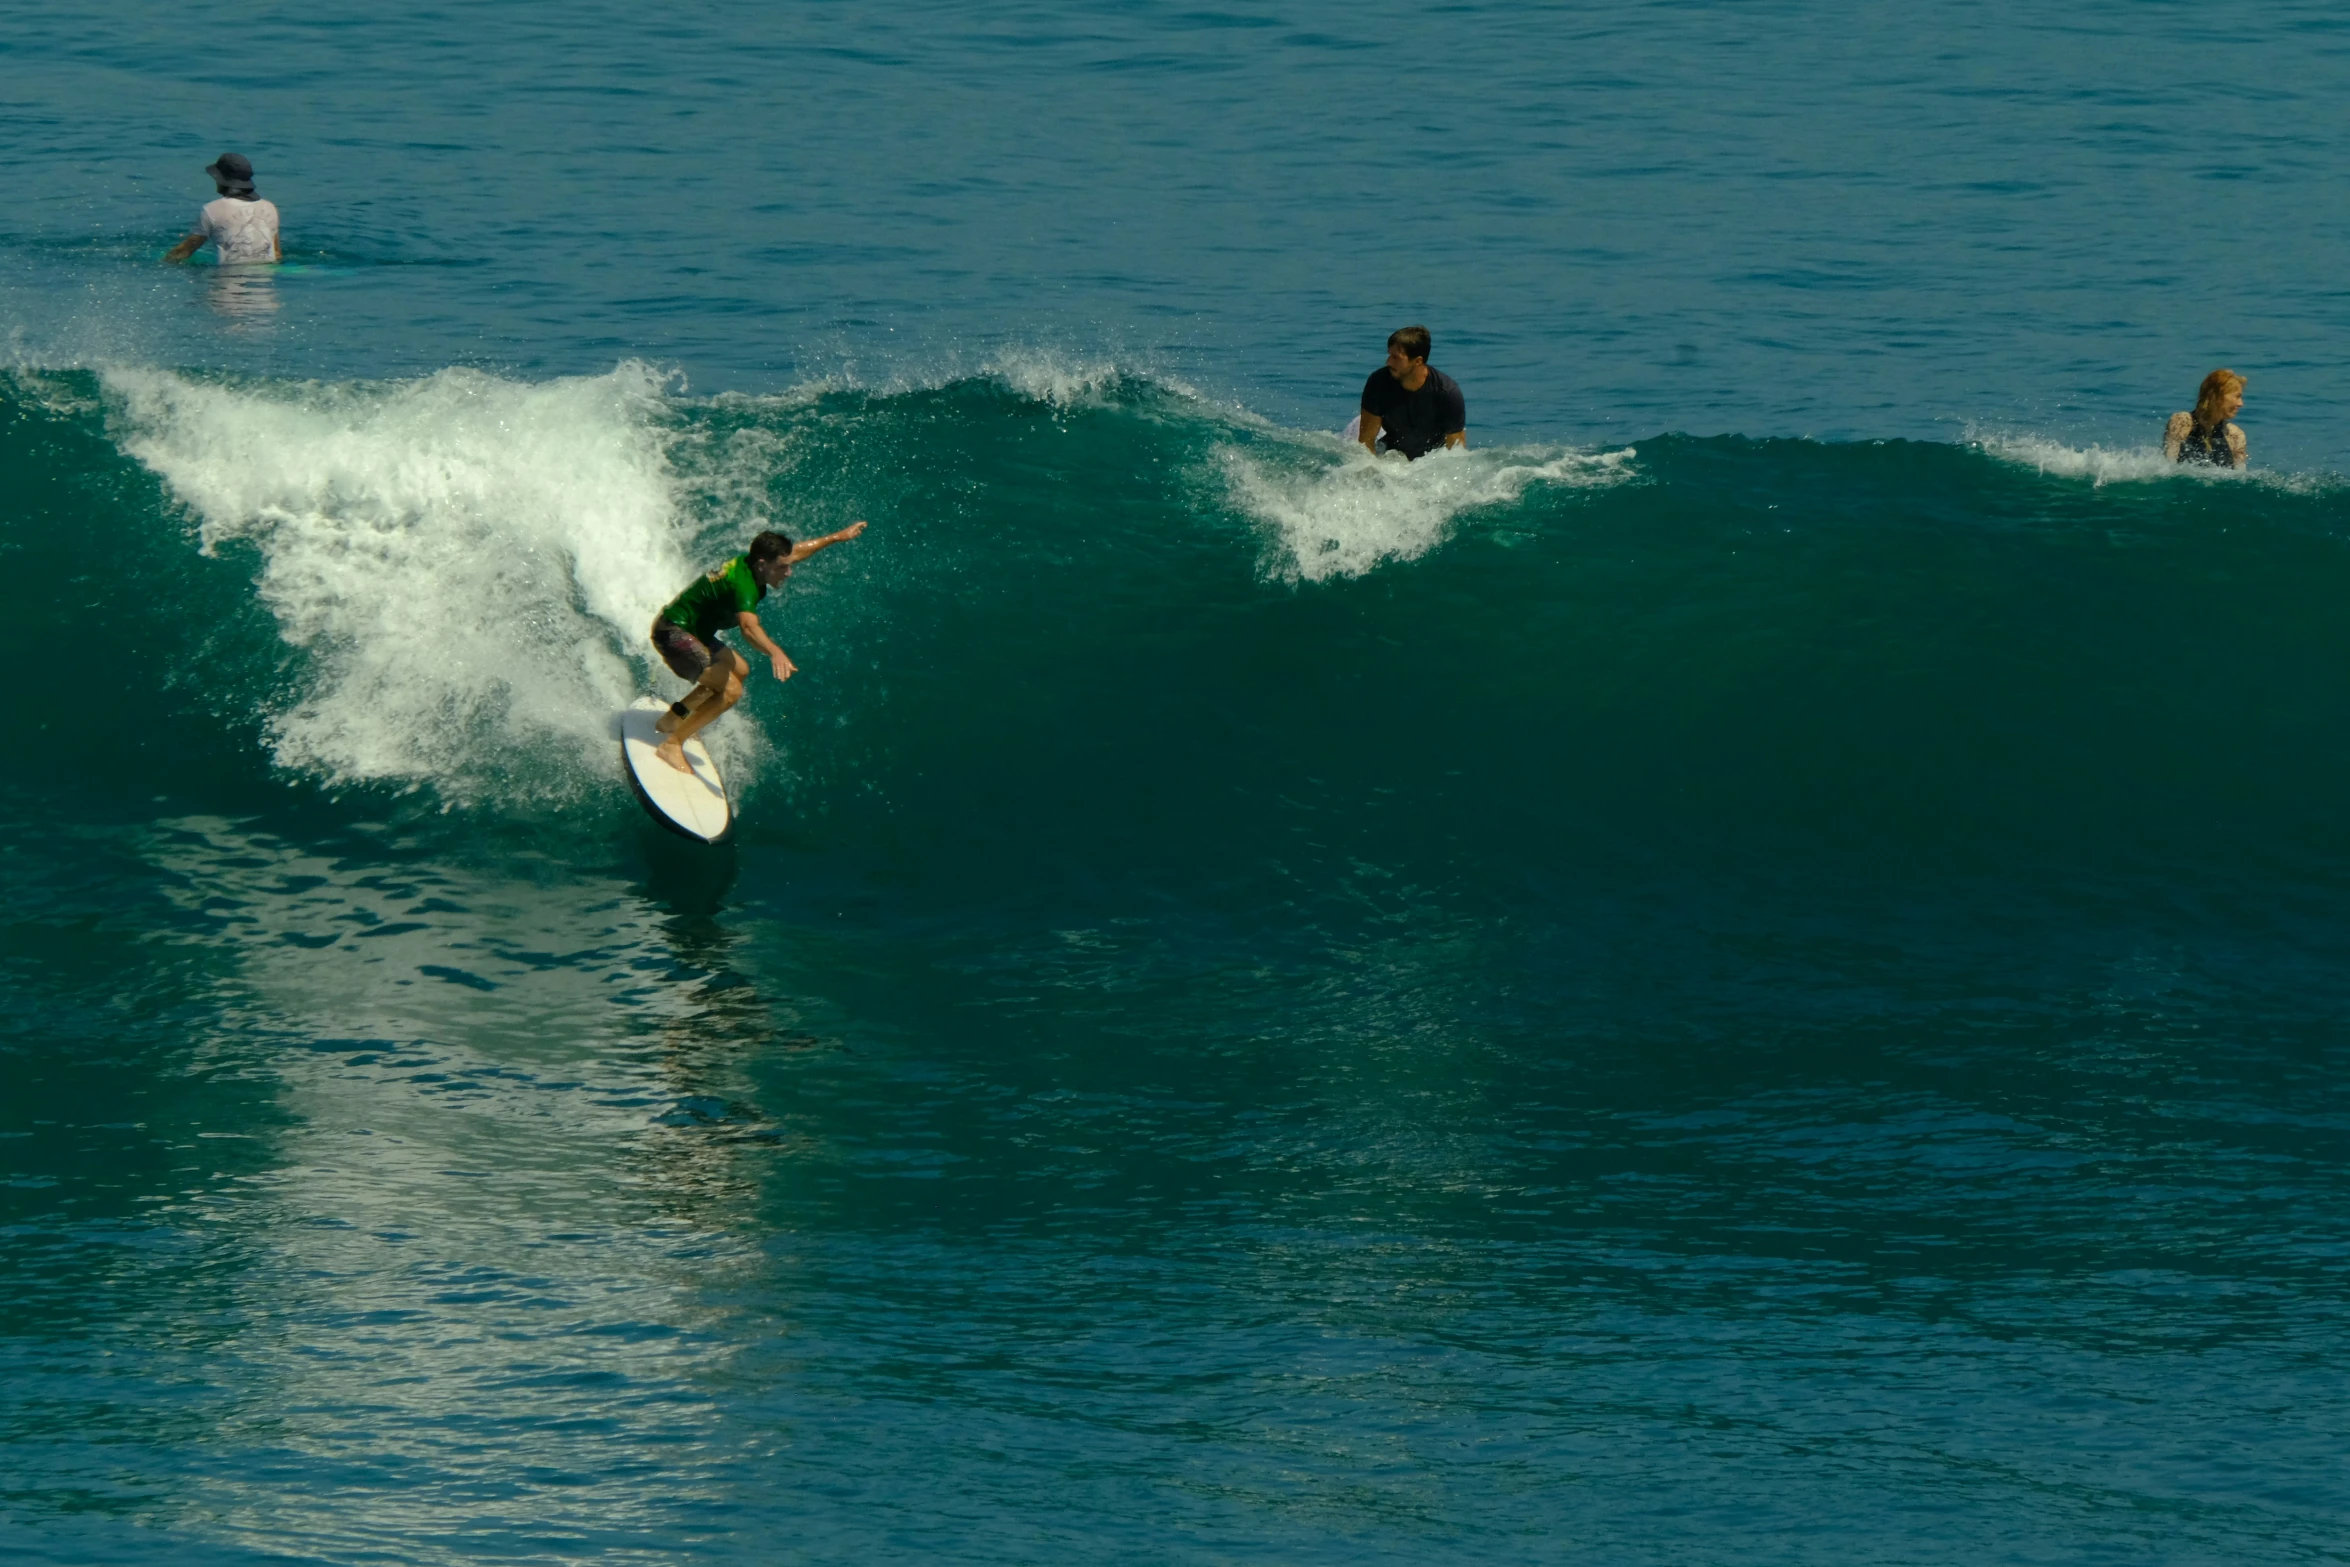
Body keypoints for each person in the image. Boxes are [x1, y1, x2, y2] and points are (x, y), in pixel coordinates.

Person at [647, 521, 867, 773]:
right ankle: (672, 745)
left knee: (740, 670)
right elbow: (749, 627)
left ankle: (672, 719)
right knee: (731, 690)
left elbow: (798, 551)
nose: (789, 572)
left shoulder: (755, 564)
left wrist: (838, 536)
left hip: (696, 632)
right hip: (673, 633)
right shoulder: (744, 586)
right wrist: (775, 652)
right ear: (763, 565)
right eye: (782, 568)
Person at [1357, 326, 1466, 459]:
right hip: (1391, 458)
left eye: (1396, 358)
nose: (1388, 362)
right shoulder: (1378, 382)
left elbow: (1457, 453)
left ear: (1418, 361)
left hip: (1433, 463)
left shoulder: (1447, 393)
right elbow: (1365, 444)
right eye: (1389, 355)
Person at [164, 154, 281, 265]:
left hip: (226, 281)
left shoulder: (212, 210)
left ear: (220, 179)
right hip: (266, 282)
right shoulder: (269, 207)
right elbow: (277, 254)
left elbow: (184, 252)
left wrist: (162, 262)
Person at [2164, 369, 2247, 468]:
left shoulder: (2235, 435)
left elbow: (2240, 476)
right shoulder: (2182, 422)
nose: (2240, 403)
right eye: (2237, 397)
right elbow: (2168, 467)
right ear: (2217, 396)